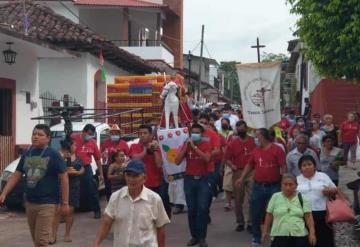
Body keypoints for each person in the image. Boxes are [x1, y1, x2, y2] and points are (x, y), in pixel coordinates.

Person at [0, 124, 70, 247]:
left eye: (40, 134)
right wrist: (4, 193)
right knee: (36, 240)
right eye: (34, 134)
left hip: (47, 203)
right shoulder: (27, 153)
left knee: (41, 241)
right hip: (30, 202)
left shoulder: (54, 155)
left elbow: (64, 178)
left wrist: (65, 203)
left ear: (48, 138)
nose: (35, 137)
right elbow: (17, 174)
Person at [91, 160, 170, 247]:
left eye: (135, 176)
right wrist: (96, 243)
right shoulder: (116, 197)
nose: (131, 179)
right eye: (128, 175)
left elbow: (161, 229)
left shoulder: (154, 199)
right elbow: (106, 223)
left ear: (144, 178)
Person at [235, 128, 287, 245]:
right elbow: (249, 164)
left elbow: (283, 167)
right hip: (258, 186)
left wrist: (284, 183)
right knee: (256, 211)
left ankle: (274, 234)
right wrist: (241, 178)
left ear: (263, 136)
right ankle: (256, 236)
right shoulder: (256, 150)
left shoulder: (277, 150)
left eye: (257, 136)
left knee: (274, 212)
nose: (255, 138)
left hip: (274, 186)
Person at [175, 123, 212, 247]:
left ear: (201, 134)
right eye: (193, 133)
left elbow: (207, 159)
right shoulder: (186, 145)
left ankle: (202, 237)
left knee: (202, 209)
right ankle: (194, 236)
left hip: (203, 180)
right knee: (192, 210)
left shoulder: (206, 144)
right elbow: (177, 161)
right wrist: (186, 147)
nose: (195, 135)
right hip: (189, 180)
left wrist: (195, 148)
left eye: (197, 133)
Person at [262, 174, 316, 247]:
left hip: (299, 235)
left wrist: (312, 234)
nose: (288, 187)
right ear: (281, 185)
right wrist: (265, 231)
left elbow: (308, 217)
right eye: (285, 184)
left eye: (291, 185)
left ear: (296, 185)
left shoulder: (303, 198)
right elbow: (269, 215)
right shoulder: (275, 197)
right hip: (279, 235)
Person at [297, 155, 337, 247]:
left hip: (322, 213)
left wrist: (329, 191)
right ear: (300, 168)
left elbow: (335, 189)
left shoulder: (323, 176)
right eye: (304, 165)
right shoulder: (297, 179)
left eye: (309, 164)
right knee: (307, 239)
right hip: (304, 214)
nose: (307, 167)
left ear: (314, 166)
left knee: (324, 239)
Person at [225, 120, 256, 232]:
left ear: (246, 129)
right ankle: (240, 221)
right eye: (239, 129)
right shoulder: (232, 143)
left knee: (252, 197)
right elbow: (227, 158)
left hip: (251, 172)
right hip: (238, 172)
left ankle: (251, 222)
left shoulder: (253, 141)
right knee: (238, 199)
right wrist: (231, 165)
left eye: (243, 129)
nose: (241, 131)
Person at [52, 139, 84, 243]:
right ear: (68, 146)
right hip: (60, 185)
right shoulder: (59, 155)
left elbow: (83, 167)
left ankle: (67, 234)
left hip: (74, 185)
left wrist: (79, 172)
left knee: (70, 211)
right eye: (74, 145)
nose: (76, 147)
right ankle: (53, 235)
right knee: (58, 211)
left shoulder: (77, 157)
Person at [72, 124, 103, 219]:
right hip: (73, 167)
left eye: (91, 135)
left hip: (86, 167)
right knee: (70, 189)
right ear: (83, 131)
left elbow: (97, 159)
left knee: (91, 188)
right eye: (89, 134)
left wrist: (101, 173)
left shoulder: (92, 142)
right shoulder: (73, 138)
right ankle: (67, 212)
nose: (90, 136)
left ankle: (96, 210)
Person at [100, 124, 129, 201]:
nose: (114, 135)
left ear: (119, 134)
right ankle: (110, 203)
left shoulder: (123, 143)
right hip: (109, 167)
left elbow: (129, 155)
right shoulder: (105, 143)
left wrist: (124, 161)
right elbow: (101, 154)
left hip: (121, 167)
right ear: (110, 134)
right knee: (109, 188)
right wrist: (103, 155)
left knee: (122, 187)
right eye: (112, 133)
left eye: (116, 133)